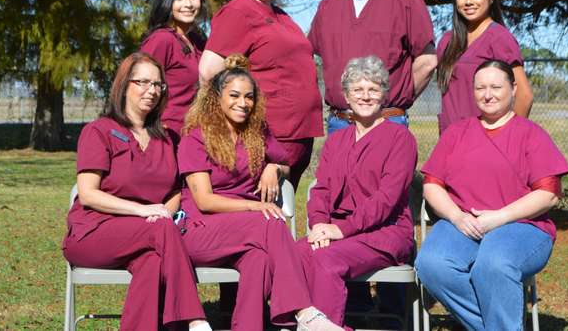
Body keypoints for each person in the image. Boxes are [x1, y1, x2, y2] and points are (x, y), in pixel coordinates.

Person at [177, 54, 343, 331]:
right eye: (234, 95)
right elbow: (204, 201)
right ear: (216, 97)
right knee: (270, 221)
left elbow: (287, 165)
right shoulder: (196, 137)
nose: (243, 103)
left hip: (244, 233)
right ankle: (303, 310)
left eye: (249, 97)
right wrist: (253, 207)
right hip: (199, 230)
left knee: (260, 259)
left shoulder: (256, 132)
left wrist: (273, 169)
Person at [415, 60, 568, 330]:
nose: (488, 94)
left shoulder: (531, 134)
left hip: (521, 226)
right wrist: (456, 216)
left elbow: (549, 194)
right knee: (431, 264)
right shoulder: (457, 133)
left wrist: (499, 218)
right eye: (480, 88)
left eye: (496, 86)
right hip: (463, 223)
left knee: (494, 263)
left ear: (513, 88)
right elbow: (432, 185)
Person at [62, 52, 210, 331]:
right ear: (123, 85)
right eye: (142, 82)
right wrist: (144, 211)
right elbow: (88, 193)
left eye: (157, 84)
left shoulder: (167, 138)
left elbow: (175, 190)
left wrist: (165, 210)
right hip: (94, 232)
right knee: (164, 229)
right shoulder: (99, 131)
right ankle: (196, 320)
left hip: (147, 236)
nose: (151, 90)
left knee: (153, 262)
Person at [296, 55, 417, 329]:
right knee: (293, 254)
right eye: (357, 90)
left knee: (325, 260)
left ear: (384, 95)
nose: (365, 96)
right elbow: (322, 189)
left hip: (385, 232)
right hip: (337, 230)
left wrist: (341, 230)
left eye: (373, 89)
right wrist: (318, 225)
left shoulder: (400, 139)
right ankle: (303, 322)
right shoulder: (337, 140)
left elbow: (387, 199)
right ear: (347, 97)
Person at [198, 0, 323, 189]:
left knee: (281, 215)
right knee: (260, 215)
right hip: (268, 135)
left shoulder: (280, 15)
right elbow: (209, 71)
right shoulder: (238, 12)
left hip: (299, 133)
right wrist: (231, 129)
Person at [308, 0, 437, 135]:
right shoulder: (329, 5)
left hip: (387, 122)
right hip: (340, 124)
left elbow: (428, 61)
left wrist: (395, 97)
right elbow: (307, 56)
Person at [436, 0, 533, 133]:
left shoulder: (499, 38)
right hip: (450, 141)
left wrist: (504, 139)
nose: (468, 1)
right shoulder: (446, 41)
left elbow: (524, 96)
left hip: (483, 142)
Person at [140, 0, 207, 132]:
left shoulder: (199, 41)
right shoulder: (161, 40)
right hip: (167, 134)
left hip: (196, 135)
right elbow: (139, 88)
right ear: (167, 1)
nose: (188, 4)